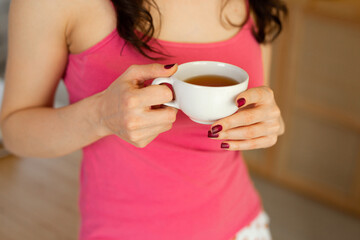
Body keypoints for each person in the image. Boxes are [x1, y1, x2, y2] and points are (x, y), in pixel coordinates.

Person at [1, 0, 287, 239]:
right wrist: (101, 115)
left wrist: (268, 124)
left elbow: (256, 106)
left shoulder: (256, 4)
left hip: (242, 227)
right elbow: (14, 131)